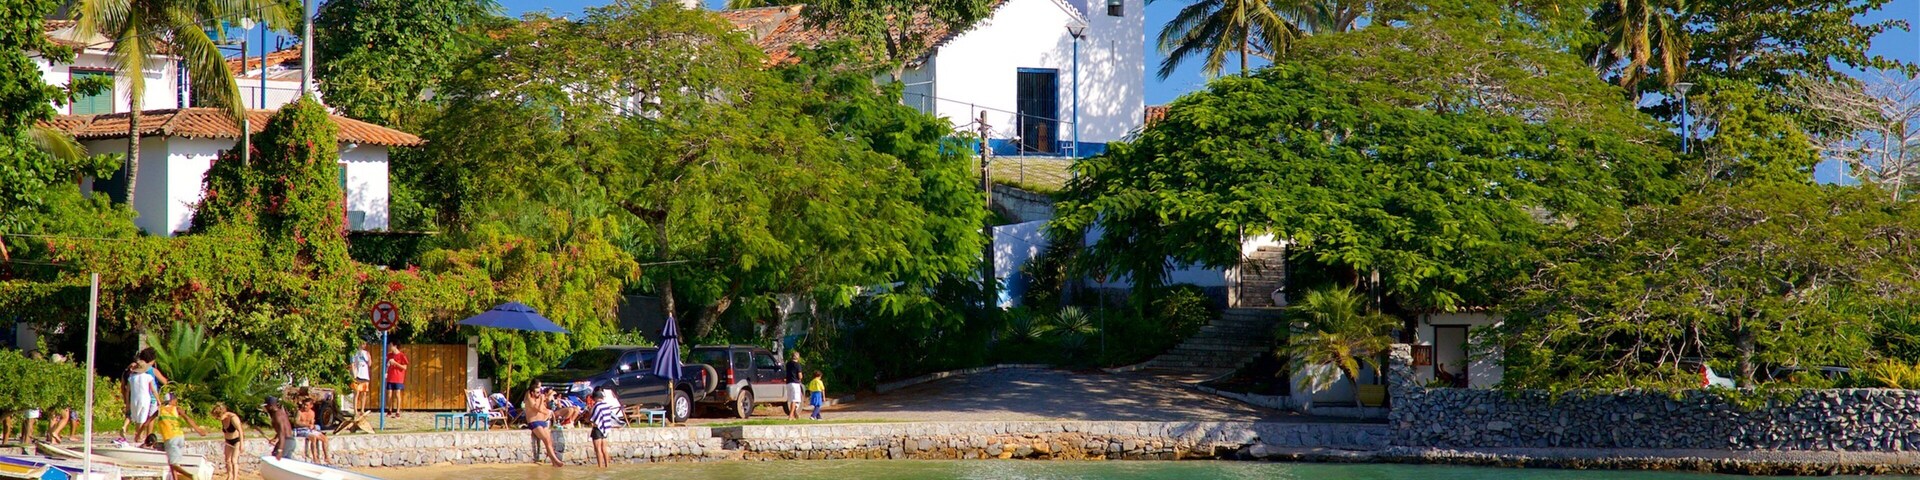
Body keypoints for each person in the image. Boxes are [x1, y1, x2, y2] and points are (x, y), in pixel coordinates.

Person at [141, 392, 207, 480]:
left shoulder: (159, 410)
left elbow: (146, 423)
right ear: (171, 400)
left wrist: (138, 434)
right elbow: (187, 418)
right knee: (172, 462)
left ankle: (190, 476)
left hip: (170, 438)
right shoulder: (177, 409)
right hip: (180, 437)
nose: (176, 402)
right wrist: (198, 430)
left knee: (173, 463)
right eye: (175, 400)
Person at [523, 388, 563, 467]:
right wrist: (541, 400)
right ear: (532, 392)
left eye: (540, 392)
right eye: (537, 392)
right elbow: (537, 408)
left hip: (542, 421)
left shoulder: (539, 399)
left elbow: (543, 409)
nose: (539, 394)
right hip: (534, 422)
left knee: (550, 441)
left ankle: (553, 462)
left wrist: (548, 412)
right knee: (546, 440)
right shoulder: (530, 400)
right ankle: (555, 460)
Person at [586, 389, 623, 468]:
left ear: (595, 398)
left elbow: (592, 418)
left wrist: (590, 411)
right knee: (604, 449)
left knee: (598, 449)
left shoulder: (596, 406)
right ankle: (607, 466)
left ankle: (600, 467)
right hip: (605, 429)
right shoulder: (606, 405)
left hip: (597, 429)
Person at [123, 361, 158, 442]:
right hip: (145, 399)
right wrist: (158, 400)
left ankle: (137, 435)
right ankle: (139, 437)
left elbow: (127, 391)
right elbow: (153, 390)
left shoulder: (131, 377)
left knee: (137, 418)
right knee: (142, 419)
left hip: (134, 399)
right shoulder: (148, 377)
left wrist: (127, 402)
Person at [210, 404, 244, 480]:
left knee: (233, 460)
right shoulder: (223, 419)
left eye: (218, 417)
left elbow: (241, 431)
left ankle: (235, 478)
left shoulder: (233, 418)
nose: (218, 419)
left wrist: (242, 444)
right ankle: (229, 475)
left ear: (223, 413)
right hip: (228, 441)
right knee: (227, 460)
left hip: (236, 441)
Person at [294, 397, 331, 464]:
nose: (305, 406)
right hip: (301, 429)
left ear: (311, 406)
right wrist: (307, 425)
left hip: (309, 429)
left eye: (307, 405)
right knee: (313, 438)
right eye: (304, 405)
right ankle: (315, 458)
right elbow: (296, 423)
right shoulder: (299, 412)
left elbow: (312, 423)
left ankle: (326, 457)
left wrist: (312, 426)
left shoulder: (312, 413)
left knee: (325, 439)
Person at [385, 345, 409, 418]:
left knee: (397, 394)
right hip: (390, 377)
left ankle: (398, 412)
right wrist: (386, 372)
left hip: (398, 377)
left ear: (395, 346)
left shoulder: (402, 355)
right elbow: (387, 365)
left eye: (391, 346)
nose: (390, 347)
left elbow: (404, 367)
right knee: (389, 394)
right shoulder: (389, 355)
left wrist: (395, 363)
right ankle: (389, 410)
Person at [350, 343, 372, 411]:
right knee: (356, 393)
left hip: (365, 375)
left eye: (365, 344)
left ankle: (362, 410)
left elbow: (370, 364)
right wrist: (354, 374)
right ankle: (355, 410)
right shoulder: (354, 353)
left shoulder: (366, 353)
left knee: (364, 393)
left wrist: (369, 357)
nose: (364, 345)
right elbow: (352, 364)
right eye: (363, 344)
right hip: (357, 375)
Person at [784, 351, 805, 420]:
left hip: (788, 383)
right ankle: (790, 415)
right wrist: (801, 377)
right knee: (795, 400)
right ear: (798, 357)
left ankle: (794, 414)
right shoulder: (797, 365)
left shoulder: (788, 364)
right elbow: (800, 375)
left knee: (791, 400)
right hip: (795, 383)